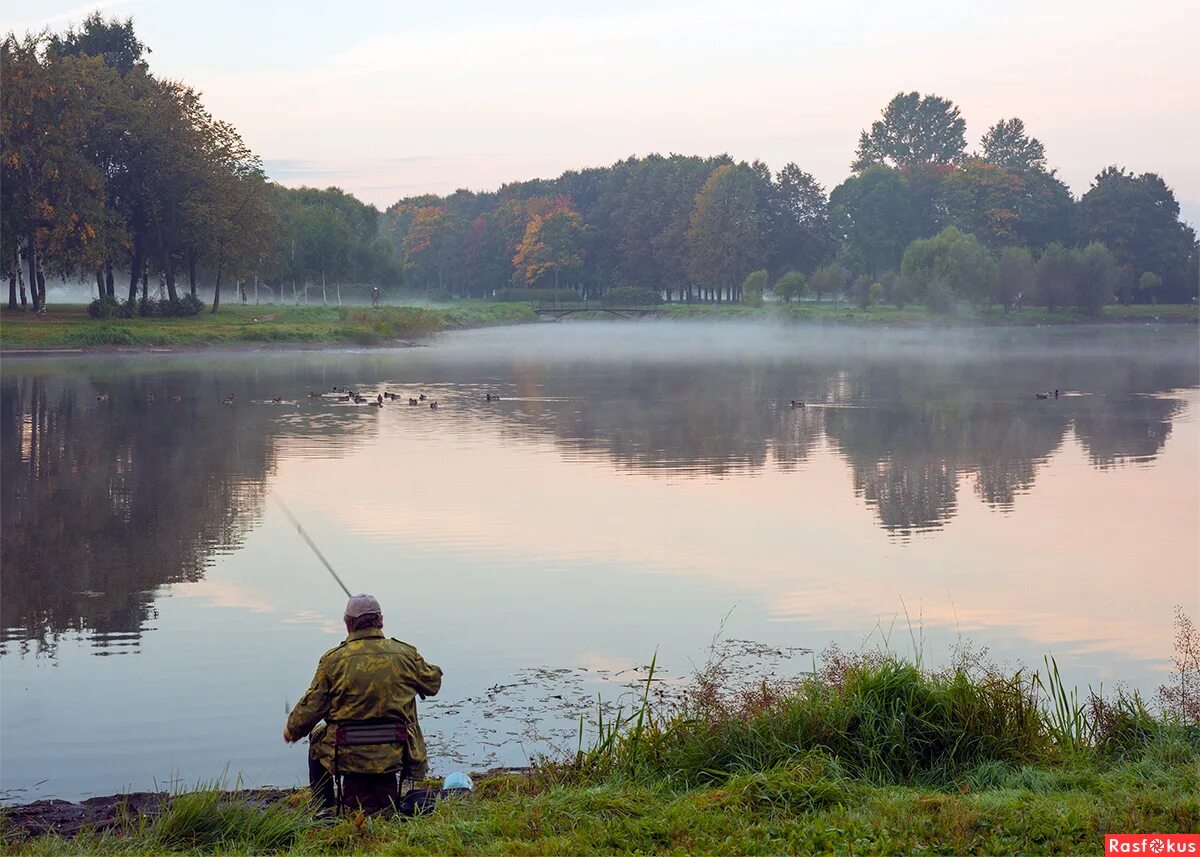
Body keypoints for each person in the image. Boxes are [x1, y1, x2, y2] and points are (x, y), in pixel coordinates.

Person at [284, 594, 442, 811]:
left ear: (348, 624)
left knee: (317, 737)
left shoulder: (333, 660)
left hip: (346, 755)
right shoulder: (406, 654)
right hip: (396, 752)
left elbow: (310, 707)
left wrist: (292, 731)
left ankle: (324, 807)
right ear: (381, 621)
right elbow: (433, 684)